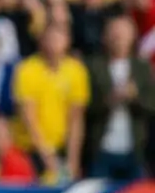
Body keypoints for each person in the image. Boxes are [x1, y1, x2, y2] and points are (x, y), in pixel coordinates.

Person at [12, 22, 90, 183]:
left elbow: (76, 118)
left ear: (67, 41)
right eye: (49, 38)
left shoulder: (76, 71)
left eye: (58, 38)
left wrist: (73, 158)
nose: (54, 43)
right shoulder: (27, 69)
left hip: (61, 147)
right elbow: (29, 117)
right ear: (41, 41)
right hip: (31, 149)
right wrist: (46, 154)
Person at [86, 15, 155, 179]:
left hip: (135, 150)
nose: (118, 38)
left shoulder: (142, 68)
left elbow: (152, 106)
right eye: (114, 33)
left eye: (123, 33)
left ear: (132, 36)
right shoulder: (94, 66)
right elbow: (86, 107)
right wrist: (111, 99)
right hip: (102, 149)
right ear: (105, 36)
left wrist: (134, 97)